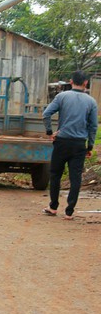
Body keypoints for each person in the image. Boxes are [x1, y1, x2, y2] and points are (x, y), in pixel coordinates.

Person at [42, 70, 98, 220]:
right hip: (79, 144)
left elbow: (46, 114)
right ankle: (69, 212)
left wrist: (49, 132)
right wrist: (90, 146)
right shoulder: (91, 101)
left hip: (61, 142)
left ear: (71, 82)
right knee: (75, 177)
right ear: (86, 83)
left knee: (55, 175)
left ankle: (53, 207)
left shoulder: (62, 97)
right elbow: (93, 126)